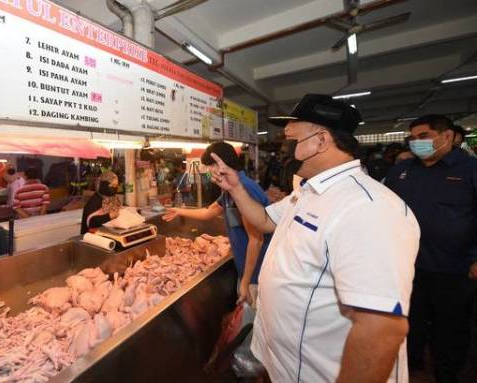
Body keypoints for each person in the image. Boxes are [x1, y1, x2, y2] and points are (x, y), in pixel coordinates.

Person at [208, 94, 420, 382]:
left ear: (321, 141)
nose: (284, 148)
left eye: (291, 139)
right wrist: (235, 188)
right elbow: (264, 220)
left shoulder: (368, 207)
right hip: (290, 367)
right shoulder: (309, 192)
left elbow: (381, 328)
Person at [385, 114, 477, 382]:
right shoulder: (402, 171)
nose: (416, 142)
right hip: (408, 267)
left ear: (446, 136)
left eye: (423, 136)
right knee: (409, 324)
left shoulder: (469, 170)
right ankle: (410, 367)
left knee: (451, 329)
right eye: (412, 138)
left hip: (455, 268)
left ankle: (447, 374)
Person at [163, 142, 271, 305]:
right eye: (209, 166)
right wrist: (179, 211)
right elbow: (209, 211)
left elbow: (256, 240)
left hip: (257, 275)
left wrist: (245, 282)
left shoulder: (244, 189)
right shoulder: (230, 189)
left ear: (225, 161)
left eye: (213, 164)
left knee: (254, 324)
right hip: (247, 271)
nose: (211, 170)